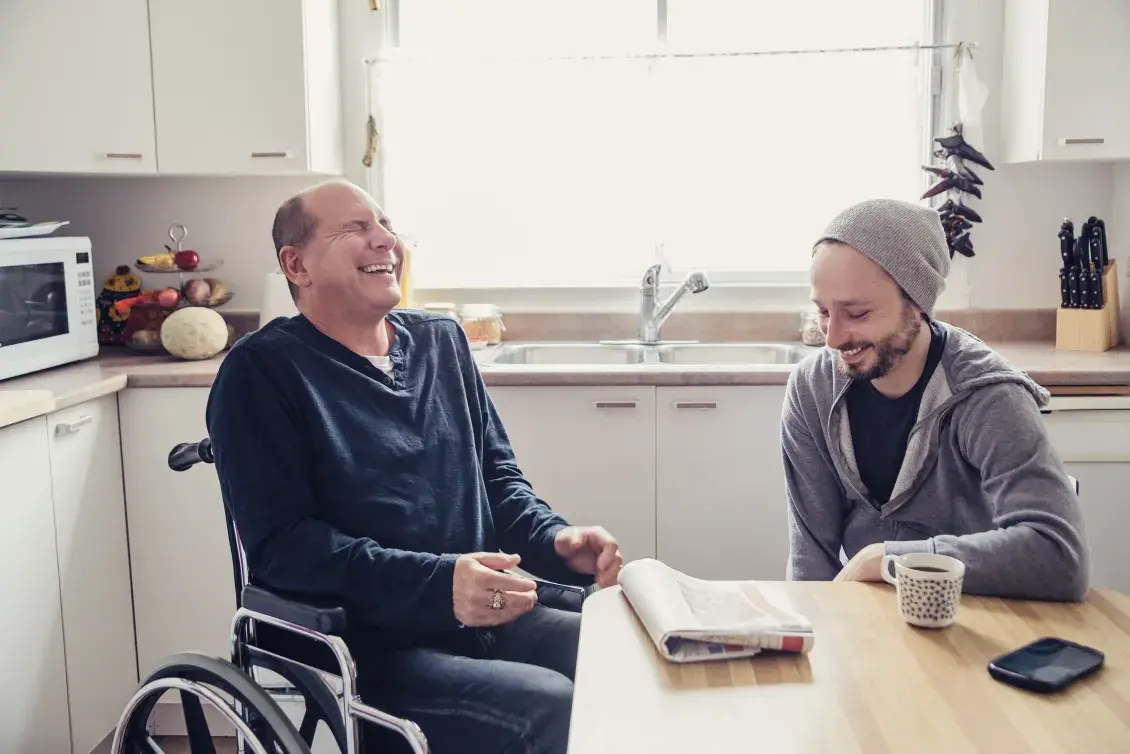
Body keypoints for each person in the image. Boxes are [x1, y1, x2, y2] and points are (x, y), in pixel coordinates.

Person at [205, 178, 623, 754]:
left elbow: (498, 483)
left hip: (488, 612)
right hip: (369, 646)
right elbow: (285, 547)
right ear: (296, 264)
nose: (386, 242)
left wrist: (557, 540)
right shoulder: (261, 373)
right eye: (356, 229)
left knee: (621, 654)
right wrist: (439, 585)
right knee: (550, 703)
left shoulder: (441, 342)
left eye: (387, 227)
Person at [781, 198, 1089, 602]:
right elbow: (811, 561)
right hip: (862, 619)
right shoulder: (813, 388)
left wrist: (889, 559)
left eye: (856, 313)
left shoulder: (988, 396)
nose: (833, 338)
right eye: (823, 311)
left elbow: (1059, 556)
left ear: (916, 305)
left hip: (972, 621)